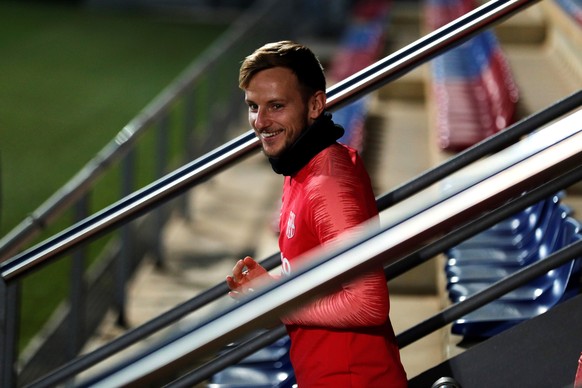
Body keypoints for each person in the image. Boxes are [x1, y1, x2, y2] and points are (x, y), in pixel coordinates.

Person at [225, 40, 407, 387]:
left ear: (315, 105)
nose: (260, 122)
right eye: (253, 106)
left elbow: (368, 303)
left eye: (276, 106)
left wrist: (278, 302)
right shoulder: (299, 166)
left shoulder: (329, 182)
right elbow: (327, 286)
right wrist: (271, 289)